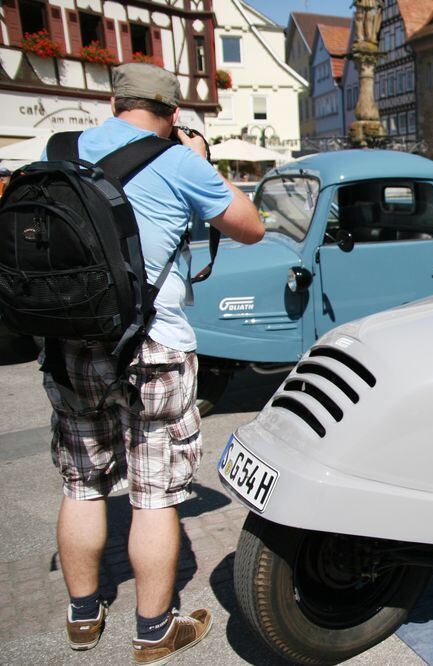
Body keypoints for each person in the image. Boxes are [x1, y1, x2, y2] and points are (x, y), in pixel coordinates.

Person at [42, 63, 263, 662]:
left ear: (115, 101)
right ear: (170, 112)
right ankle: (154, 629)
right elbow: (252, 227)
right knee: (154, 494)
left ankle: (83, 618)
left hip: (71, 344)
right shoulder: (178, 160)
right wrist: (197, 159)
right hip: (152, 346)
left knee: (82, 484)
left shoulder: (63, 148)